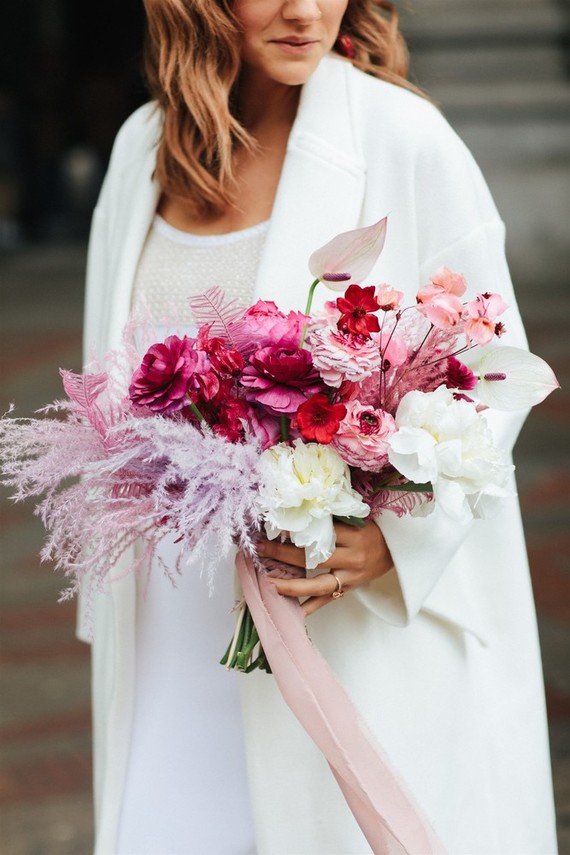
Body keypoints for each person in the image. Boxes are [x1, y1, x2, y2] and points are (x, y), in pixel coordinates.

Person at [80, 1, 558, 852]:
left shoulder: (403, 138)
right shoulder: (137, 152)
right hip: (167, 628)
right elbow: (102, 397)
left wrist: (393, 541)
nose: (306, 8)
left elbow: (496, 374)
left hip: (344, 626)